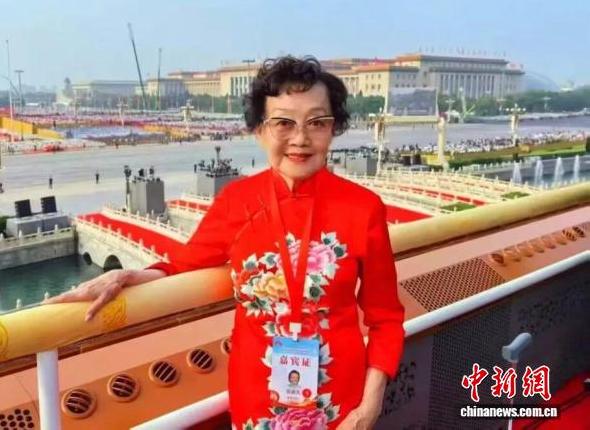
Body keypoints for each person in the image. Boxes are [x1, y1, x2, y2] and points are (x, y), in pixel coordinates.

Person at [46, 56, 405, 429]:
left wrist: (369, 406)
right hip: (257, 401)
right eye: (283, 123)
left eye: (317, 122)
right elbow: (184, 264)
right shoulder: (238, 201)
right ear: (259, 131)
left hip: (340, 405)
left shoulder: (362, 208)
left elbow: (386, 317)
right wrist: (127, 276)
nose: (300, 138)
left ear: (333, 129)